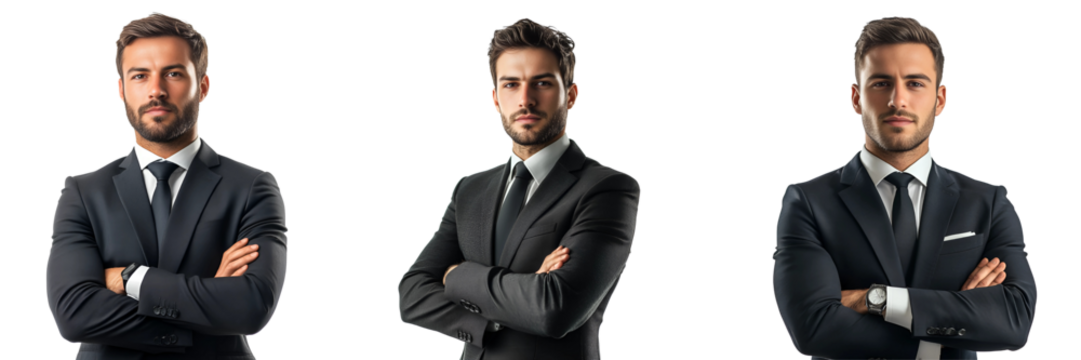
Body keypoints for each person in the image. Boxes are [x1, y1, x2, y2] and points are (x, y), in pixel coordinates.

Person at [772, 14, 1036, 360]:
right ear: (855, 98)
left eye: (915, 83)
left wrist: (875, 300)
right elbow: (814, 329)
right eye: (881, 83)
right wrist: (956, 323)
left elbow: (1013, 323)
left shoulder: (987, 203)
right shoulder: (807, 203)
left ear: (940, 100)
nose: (898, 100)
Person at [45, 11, 289, 359]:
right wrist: (209, 299)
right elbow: (74, 315)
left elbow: (250, 308)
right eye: (140, 76)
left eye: (173, 74)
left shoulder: (252, 187)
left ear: (203, 87)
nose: (156, 90)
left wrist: (132, 279)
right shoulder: (84, 193)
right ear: (121, 89)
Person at [395, 17, 642, 360]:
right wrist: (498, 316)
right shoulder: (469, 189)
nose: (525, 99)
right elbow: (411, 295)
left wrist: (456, 275)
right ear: (495, 99)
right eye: (511, 85)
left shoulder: (608, 189)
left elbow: (553, 309)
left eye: (541, 83)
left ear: (571, 96)